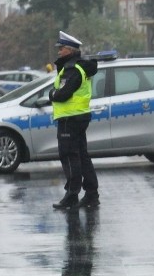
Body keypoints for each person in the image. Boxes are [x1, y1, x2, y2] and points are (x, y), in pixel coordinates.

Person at [49, 31, 99, 209]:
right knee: (82, 156)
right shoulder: (78, 67)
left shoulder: (71, 69)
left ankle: (72, 194)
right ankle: (92, 193)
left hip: (70, 118)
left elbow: (62, 94)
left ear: (69, 50)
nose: (59, 52)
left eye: (61, 48)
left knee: (69, 156)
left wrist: (52, 94)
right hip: (78, 116)